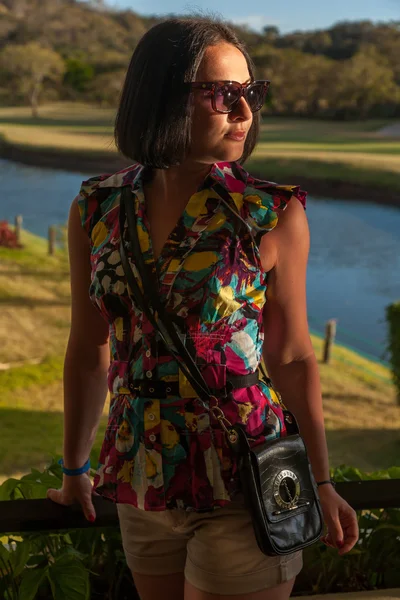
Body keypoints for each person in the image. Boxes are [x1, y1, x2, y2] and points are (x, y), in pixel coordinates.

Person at [47, 16, 359, 600]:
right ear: (161, 97)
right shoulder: (97, 208)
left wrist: (320, 478)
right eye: (222, 95)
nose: (244, 113)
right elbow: (88, 349)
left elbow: (291, 356)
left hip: (246, 475)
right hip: (143, 473)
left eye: (251, 94)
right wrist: (73, 469)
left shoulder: (272, 213)